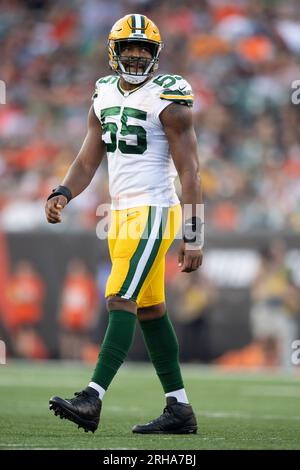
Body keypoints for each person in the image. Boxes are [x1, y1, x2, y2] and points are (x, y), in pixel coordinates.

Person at [45, 14, 203, 434]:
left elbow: (191, 172)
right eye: (129, 48)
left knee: (118, 296)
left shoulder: (169, 95)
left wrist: (193, 234)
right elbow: (86, 159)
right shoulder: (102, 92)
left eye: (144, 49)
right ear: (114, 51)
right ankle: (179, 408)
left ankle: (92, 397)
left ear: (156, 54)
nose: (136, 55)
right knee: (150, 309)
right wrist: (62, 191)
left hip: (155, 210)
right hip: (120, 213)